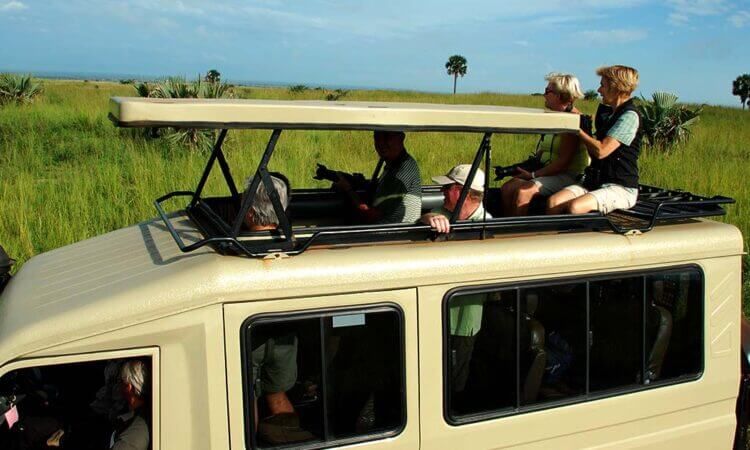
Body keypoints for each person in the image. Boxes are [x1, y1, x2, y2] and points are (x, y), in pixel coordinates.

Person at [422, 164, 490, 397]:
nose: (442, 191)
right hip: (438, 312)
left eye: (447, 187)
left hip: (463, 320)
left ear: (461, 192)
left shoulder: (485, 227)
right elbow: (425, 217)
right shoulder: (448, 211)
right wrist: (430, 217)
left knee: (454, 376)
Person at [547, 65, 642, 215]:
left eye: (602, 85)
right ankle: (552, 237)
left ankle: (573, 237)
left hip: (620, 187)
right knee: (554, 202)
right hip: (596, 182)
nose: (599, 91)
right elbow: (594, 155)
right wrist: (587, 133)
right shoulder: (609, 114)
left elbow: (602, 151)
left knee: (576, 207)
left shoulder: (629, 116)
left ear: (616, 87)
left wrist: (578, 131)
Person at [500, 73, 590, 216]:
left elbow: (563, 163)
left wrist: (533, 175)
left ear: (561, 95)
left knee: (524, 192)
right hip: (549, 171)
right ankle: (504, 230)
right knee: (507, 188)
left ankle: (518, 234)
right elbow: (543, 152)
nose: (544, 95)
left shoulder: (573, 122)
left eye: (547, 91)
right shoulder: (555, 117)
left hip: (568, 175)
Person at [334, 131, 421, 224]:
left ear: (401, 138)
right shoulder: (393, 165)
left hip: (394, 234)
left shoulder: (401, 172)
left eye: (386, 137)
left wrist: (348, 189)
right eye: (377, 137)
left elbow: (370, 216)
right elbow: (380, 188)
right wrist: (356, 181)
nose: (380, 143)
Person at [110, 360, 150, 450]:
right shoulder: (145, 415)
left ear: (128, 387)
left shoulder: (137, 428)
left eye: (120, 381)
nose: (117, 386)